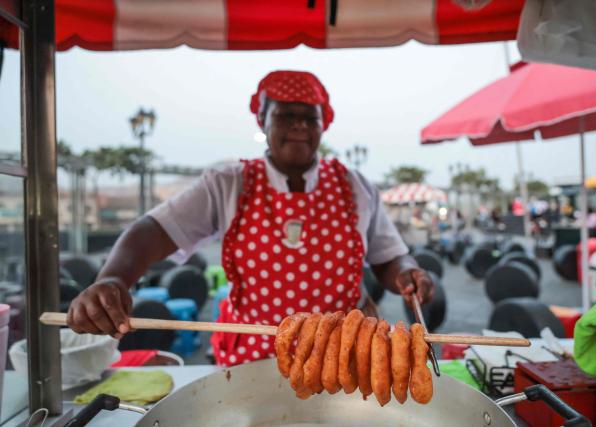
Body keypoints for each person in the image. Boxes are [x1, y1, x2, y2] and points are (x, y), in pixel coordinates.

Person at [66, 70, 434, 366]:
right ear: (262, 120)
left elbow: (388, 258)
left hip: (344, 355)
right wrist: (114, 278)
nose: (300, 126)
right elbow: (152, 230)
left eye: (310, 118)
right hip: (254, 356)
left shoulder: (355, 186)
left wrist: (407, 272)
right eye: (286, 116)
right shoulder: (229, 183)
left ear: (323, 125)